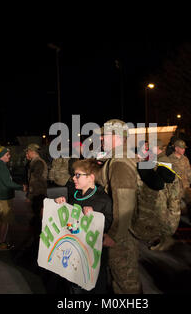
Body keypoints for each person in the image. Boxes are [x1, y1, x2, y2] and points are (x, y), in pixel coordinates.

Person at [97, 119, 142, 294]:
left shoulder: (120, 162)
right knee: (122, 279)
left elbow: (125, 203)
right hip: (125, 230)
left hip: (122, 233)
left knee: (125, 282)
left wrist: (114, 235)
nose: (101, 139)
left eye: (104, 135)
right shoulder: (120, 157)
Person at [55, 159, 113, 293]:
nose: (73, 178)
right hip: (74, 255)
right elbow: (69, 222)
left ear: (91, 177)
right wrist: (61, 205)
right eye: (74, 175)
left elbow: (109, 226)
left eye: (78, 175)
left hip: (93, 260)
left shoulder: (103, 199)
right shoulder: (75, 195)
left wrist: (94, 217)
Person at [0, 144, 25, 251]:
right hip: (3, 198)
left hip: (1, 197)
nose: (9, 156)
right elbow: (8, 183)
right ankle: (1, 243)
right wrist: (21, 187)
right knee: (5, 221)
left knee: (1, 220)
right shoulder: (0, 166)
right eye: (7, 154)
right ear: (1, 156)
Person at [168, 139, 191, 228]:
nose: (183, 150)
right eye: (182, 148)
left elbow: (189, 173)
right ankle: (174, 227)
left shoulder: (185, 159)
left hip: (186, 187)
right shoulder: (169, 159)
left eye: (184, 148)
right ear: (176, 148)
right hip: (175, 189)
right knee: (174, 208)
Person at [25, 143, 48, 232]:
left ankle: (37, 243)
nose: (26, 154)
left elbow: (34, 180)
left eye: (27, 151)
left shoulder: (38, 162)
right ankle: (35, 242)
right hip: (38, 193)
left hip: (38, 194)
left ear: (31, 151)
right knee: (37, 218)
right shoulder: (36, 162)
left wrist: (29, 196)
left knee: (38, 219)